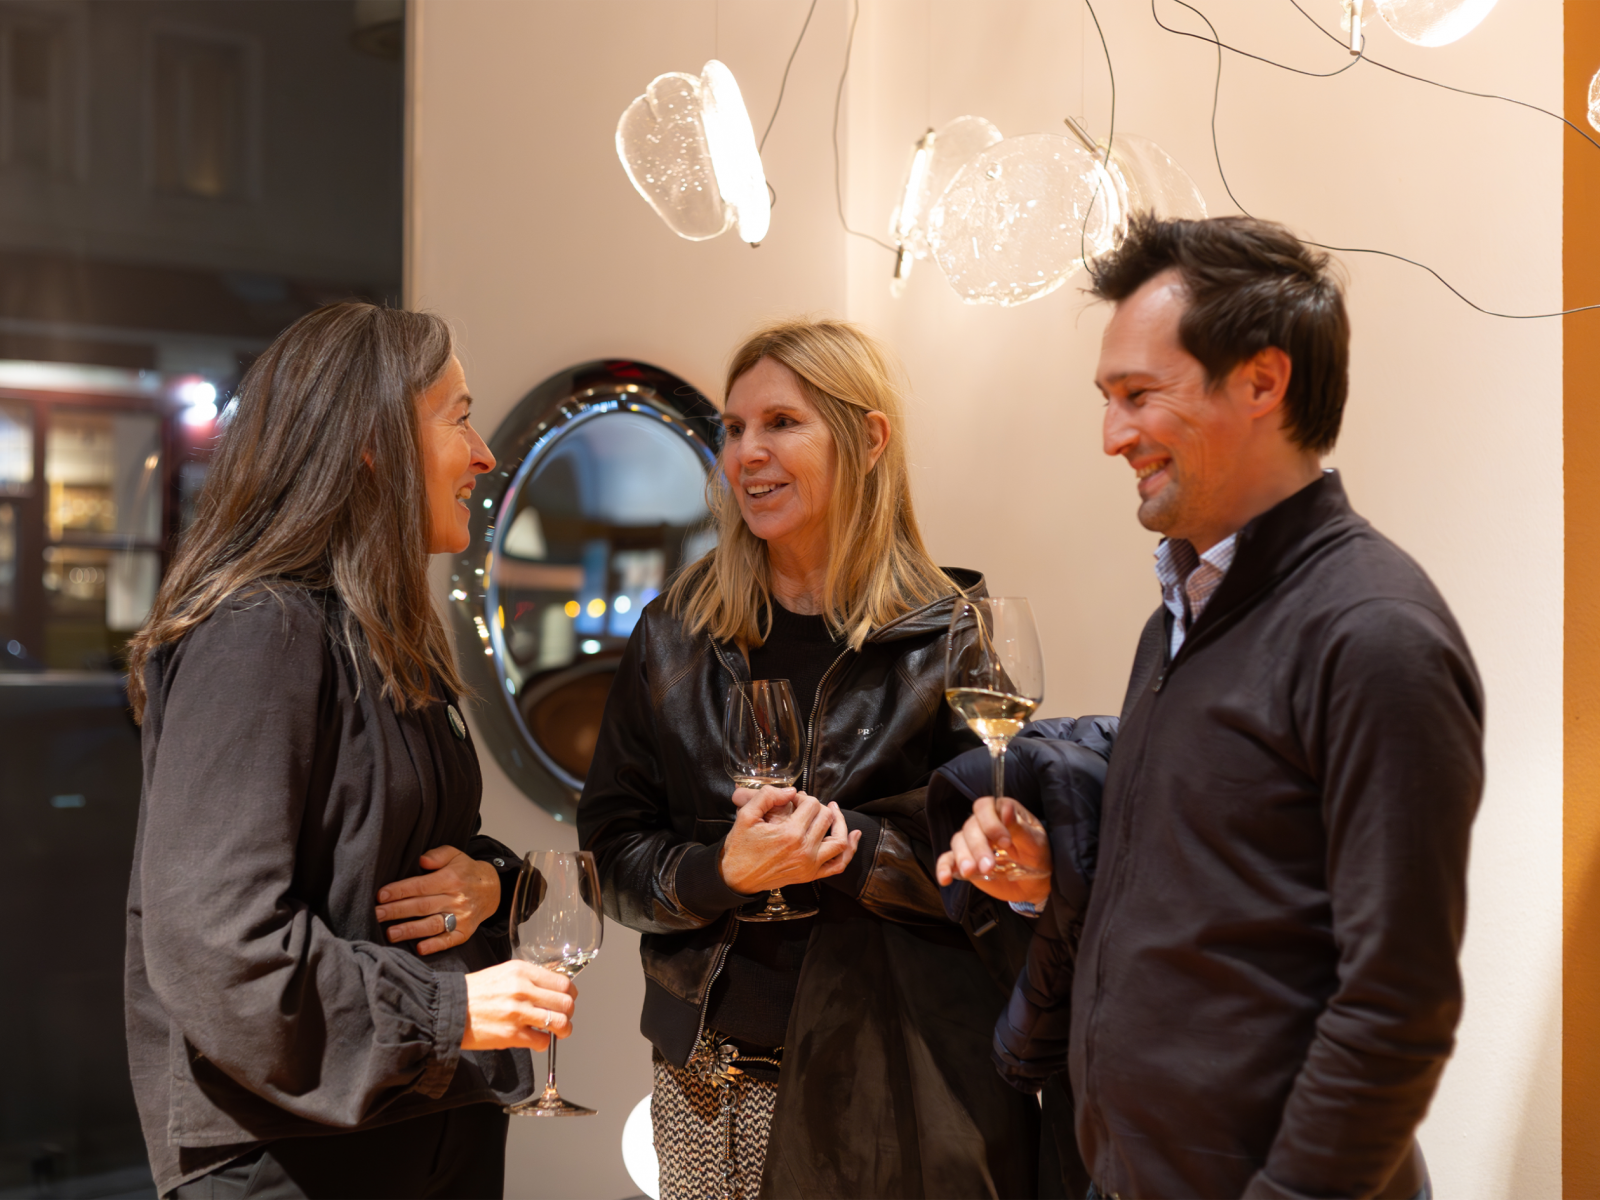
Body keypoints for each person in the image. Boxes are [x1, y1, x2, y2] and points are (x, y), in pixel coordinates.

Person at [938, 215, 1484, 1200]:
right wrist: (1045, 877)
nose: (1112, 437)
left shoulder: (1373, 634)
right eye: (1107, 400)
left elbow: (1396, 1008)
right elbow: (1218, 896)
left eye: (1138, 395)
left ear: (1262, 382)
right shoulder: (1179, 620)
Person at [578, 317, 1067, 1200]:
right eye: (734, 429)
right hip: (705, 1083)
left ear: (868, 439)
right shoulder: (674, 633)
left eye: (781, 423)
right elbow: (609, 855)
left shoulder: (949, 635)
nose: (747, 454)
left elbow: (996, 873)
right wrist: (720, 872)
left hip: (884, 1079)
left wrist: (853, 850)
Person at [124, 303, 577, 1200]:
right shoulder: (260, 633)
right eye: (458, 419)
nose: (485, 455)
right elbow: (219, 944)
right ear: (371, 443)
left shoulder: (377, 637)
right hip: (293, 1156)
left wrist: (487, 881)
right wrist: (448, 1010)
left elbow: (384, 862)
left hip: (421, 1125)